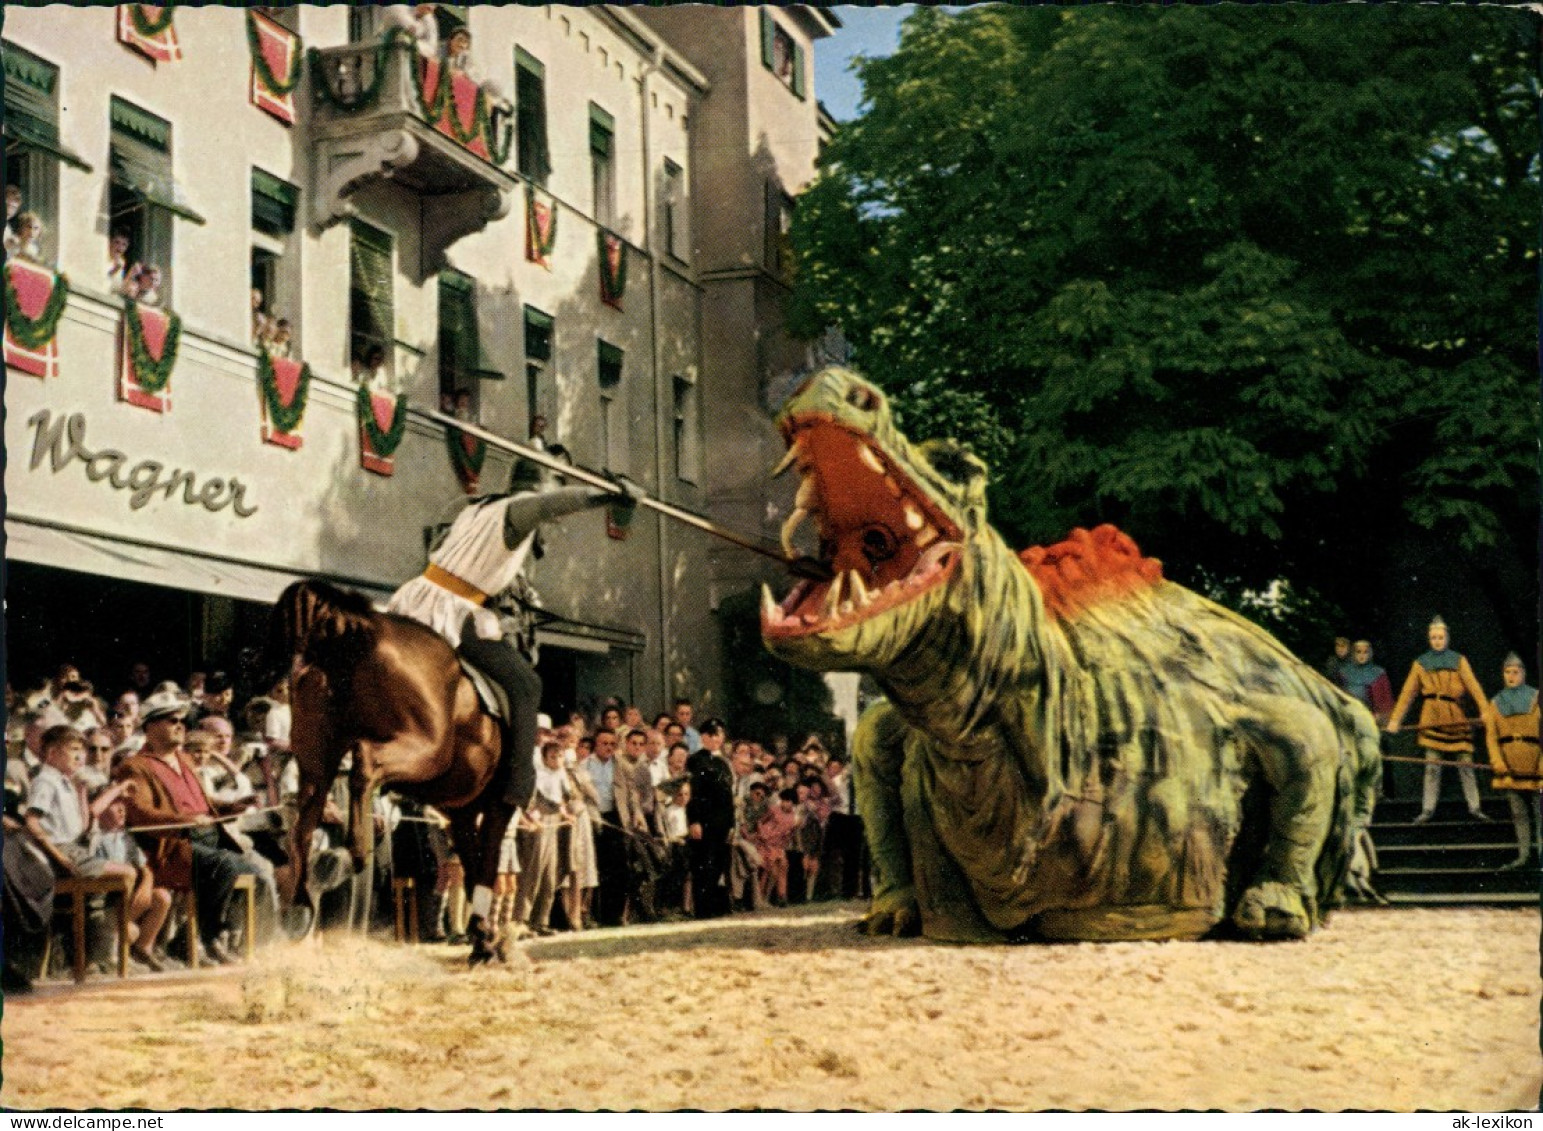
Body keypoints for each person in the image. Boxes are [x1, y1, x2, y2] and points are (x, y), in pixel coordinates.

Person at [113, 687, 260, 965]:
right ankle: (207, 936)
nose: (180, 726)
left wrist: (233, 806)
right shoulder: (136, 766)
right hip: (171, 849)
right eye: (171, 720)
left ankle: (192, 937)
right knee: (225, 865)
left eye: (181, 721)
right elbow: (141, 814)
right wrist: (185, 822)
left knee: (254, 870)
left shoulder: (185, 760)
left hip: (207, 839)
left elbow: (202, 805)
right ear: (150, 727)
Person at [1388, 617, 1491, 824]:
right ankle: (1427, 809)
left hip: (1455, 715)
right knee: (1432, 766)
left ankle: (1475, 806)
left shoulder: (1459, 660)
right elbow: (1408, 693)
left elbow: (1474, 687)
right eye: (1433, 637)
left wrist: (1485, 710)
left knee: (1466, 763)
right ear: (1429, 639)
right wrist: (1395, 720)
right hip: (1431, 716)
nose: (1437, 641)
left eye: (1441, 637)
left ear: (1447, 638)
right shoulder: (1420, 663)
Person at [1483, 654, 1540, 870]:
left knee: (1539, 812)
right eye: (1507, 672)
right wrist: (1498, 763)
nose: (1511, 676)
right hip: (1510, 766)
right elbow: (1491, 738)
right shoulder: (1496, 703)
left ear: (1523, 673)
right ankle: (1523, 856)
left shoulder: (1537, 698)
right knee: (1519, 814)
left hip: (1535, 765)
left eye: (1515, 672)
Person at [1341, 640, 1397, 798]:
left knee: (1373, 756)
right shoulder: (1344, 673)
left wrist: (1380, 717)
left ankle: (1377, 792)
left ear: (1370, 653)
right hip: (1351, 722)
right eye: (1358, 652)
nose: (1362, 655)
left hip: (1373, 722)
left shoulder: (1378, 674)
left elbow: (1385, 702)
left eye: (1365, 652)